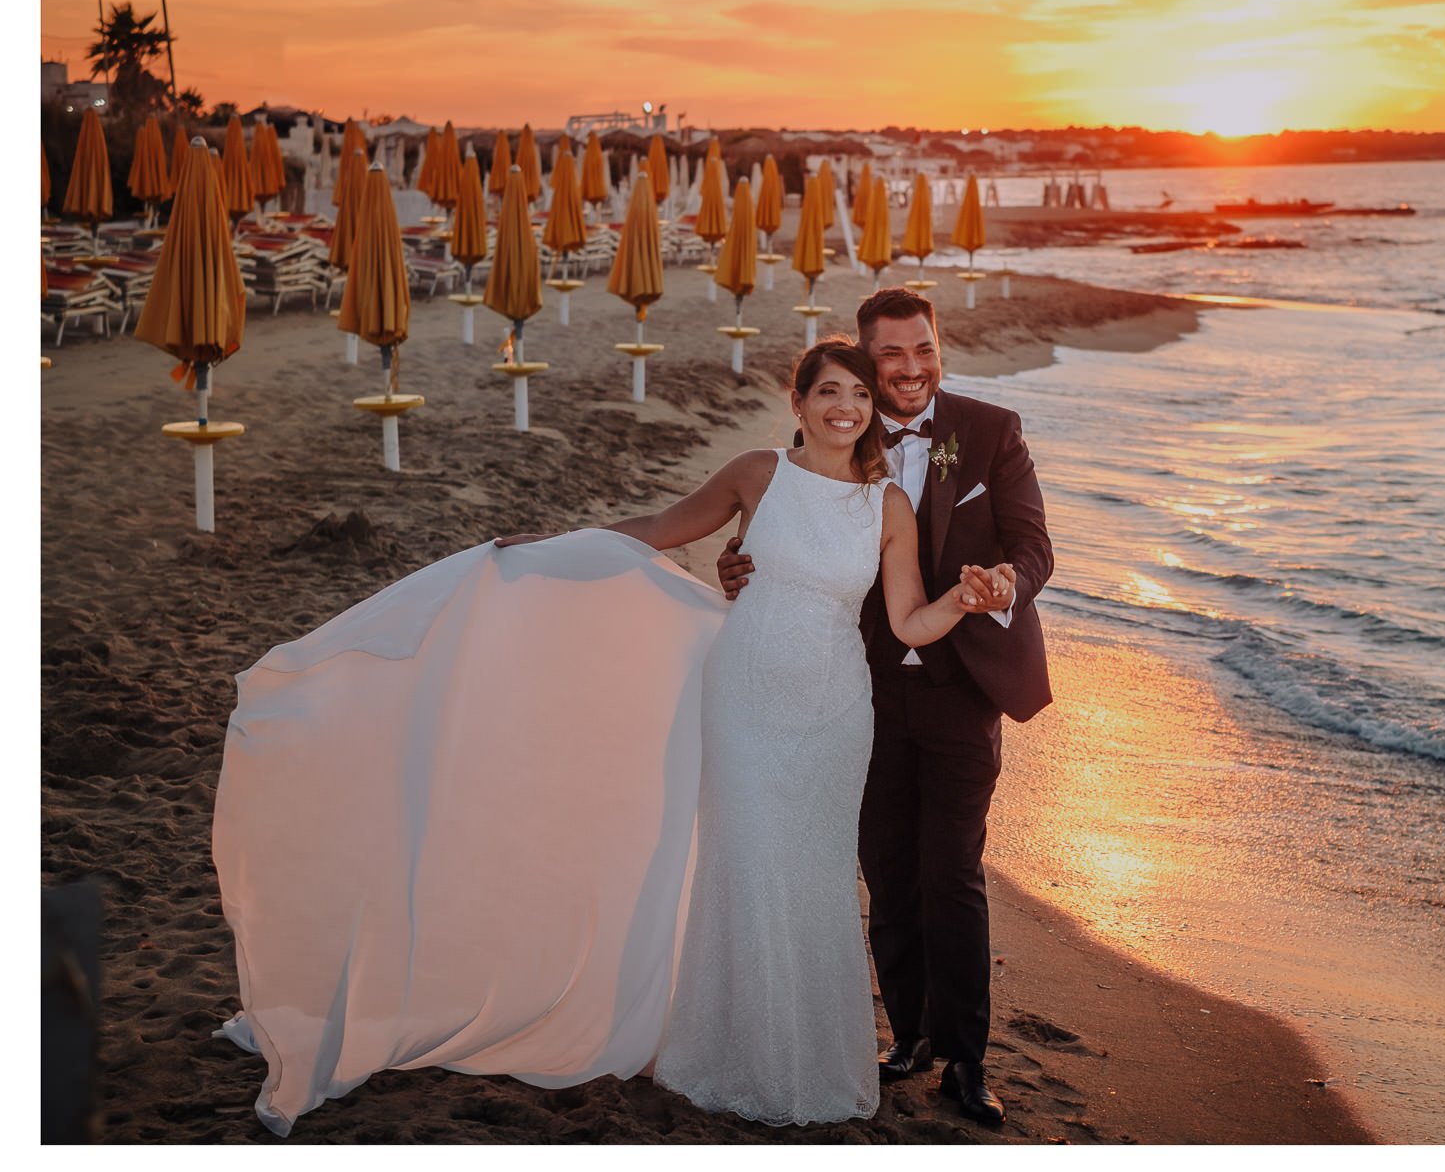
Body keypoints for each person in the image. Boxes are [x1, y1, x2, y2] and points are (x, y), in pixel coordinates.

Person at [210, 339, 1011, 1134]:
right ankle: (728, 1052)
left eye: (860, 396)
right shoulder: (756, 474)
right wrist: (556, 551)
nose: (846, 408)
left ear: (872, 411)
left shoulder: (886, 505)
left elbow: (908, 620)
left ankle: (804, 1060)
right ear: (797, 402)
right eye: (829, 391)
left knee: (815, 879)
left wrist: (965, 605)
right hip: (745, 702)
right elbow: (663, 528)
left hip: (837, 711)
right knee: (746, 864)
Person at [718, 288, 1054, 1126]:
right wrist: (740, 563)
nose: (911, 368)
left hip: (962, 686)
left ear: (939, 347)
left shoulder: (990, 430)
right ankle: (909, 1035)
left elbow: (1033, 544)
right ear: (867, 362)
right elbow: (792, 526)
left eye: (924, 350)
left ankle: (967, 1063)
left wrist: (1009, 582)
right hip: (857, 689)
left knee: (953, 871)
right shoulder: (843, 435)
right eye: (892, 356)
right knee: (885, 869)